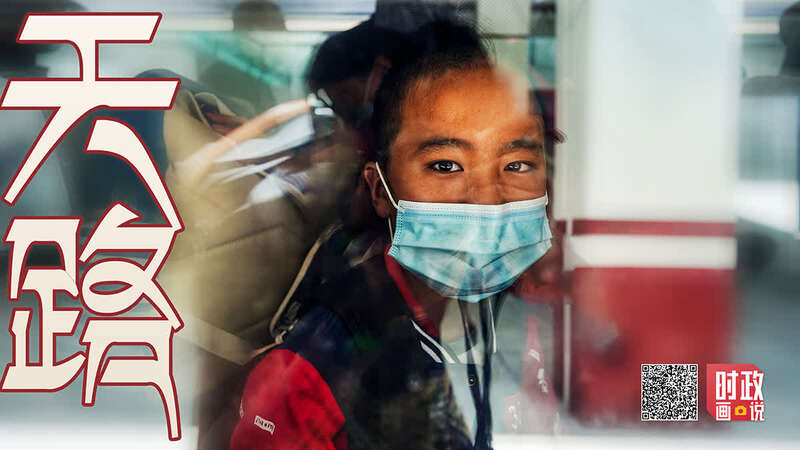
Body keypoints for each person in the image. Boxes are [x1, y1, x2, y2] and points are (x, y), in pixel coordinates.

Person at [230, 20, 560, 450]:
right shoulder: (322, 363)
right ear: (379, 186)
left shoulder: (529, 313)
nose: (485, 198)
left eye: (515, 164)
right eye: (445, 165)